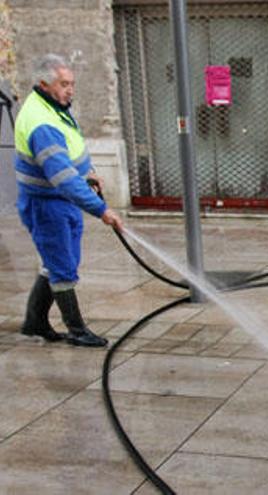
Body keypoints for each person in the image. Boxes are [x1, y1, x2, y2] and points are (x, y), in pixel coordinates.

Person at [14, 54, 124, 347]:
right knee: (61, 267)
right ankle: (76, 330)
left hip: (61, 202)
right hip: (47, 204)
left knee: (59, 262)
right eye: (64, 84)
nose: (70, 90)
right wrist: (101, 209)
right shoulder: (41, 122)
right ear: (43, 84)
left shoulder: (55, 108)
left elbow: (72, 150)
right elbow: (61, 176)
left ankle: (34, 323)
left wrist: (89, 173)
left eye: (72, 83)